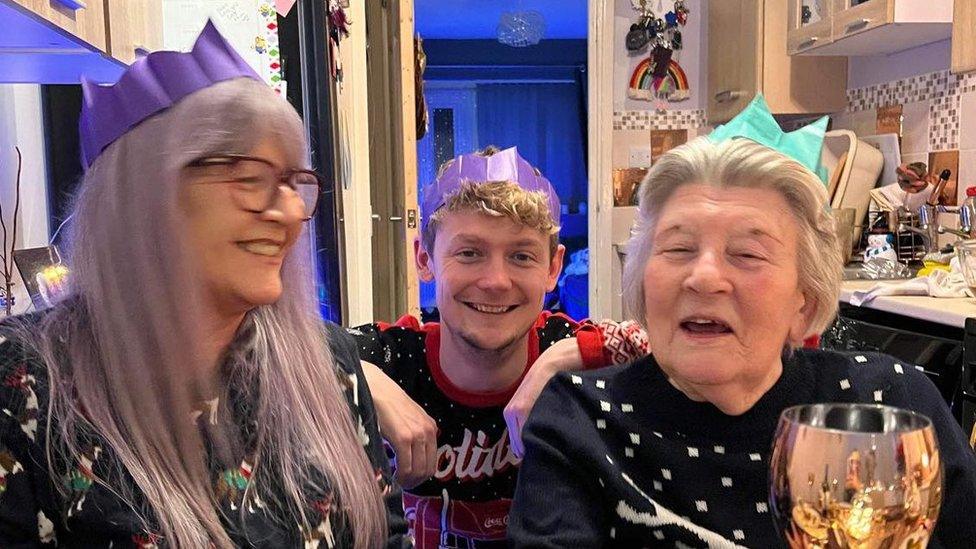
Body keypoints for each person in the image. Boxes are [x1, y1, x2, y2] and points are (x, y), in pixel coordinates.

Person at [0, 22, 404, 548]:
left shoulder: (328, 364)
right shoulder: (24, 384)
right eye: (247, 177)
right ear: (141, 196)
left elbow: (384, 532)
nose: (286, 212)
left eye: (294, 182)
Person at [508, 135, 976, 547]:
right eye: (678, 248)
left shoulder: (891, 407)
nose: (704, 276)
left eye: (747, 253)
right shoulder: (578, 422)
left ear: (805, 302)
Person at [351, 146, 646, 548]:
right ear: (424, 258)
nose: (496, 281)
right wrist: (359, 373)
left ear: (553, 268)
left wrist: (554, 362)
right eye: (469, 253)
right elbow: (265, 351)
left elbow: (668, 345)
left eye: (521, 256)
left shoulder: (572, 357)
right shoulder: (393, 357)